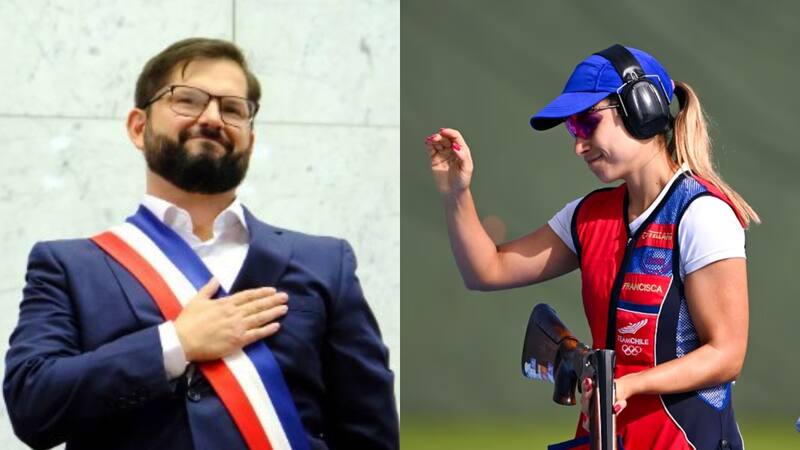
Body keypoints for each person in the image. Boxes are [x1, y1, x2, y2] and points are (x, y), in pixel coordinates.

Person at [4, 38, 398, 450]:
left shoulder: (325, 262)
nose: (212, 118)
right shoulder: (68, 265)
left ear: (251, 137)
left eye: (232, 108)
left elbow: (370, 431)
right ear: (139, 127)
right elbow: (32, 407)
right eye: (187, 100)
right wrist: (175, 343)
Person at [425, 44, 756, 450]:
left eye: (587, 122)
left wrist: (627, 386)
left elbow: (726, 353)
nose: (578, 144)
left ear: (641, 108)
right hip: (605, 438)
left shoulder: (701, 213)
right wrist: (456, 193)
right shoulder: (587, 215)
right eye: (572, 129)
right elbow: (485, 270)